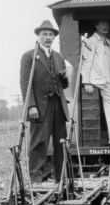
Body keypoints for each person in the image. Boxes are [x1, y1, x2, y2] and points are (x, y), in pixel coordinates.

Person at [20, 20, 72, 182]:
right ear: (38, 36)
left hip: (58, 105)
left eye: (50, 35)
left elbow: (63, 85)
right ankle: (36, 180)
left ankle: (61, 179)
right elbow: (25, 83)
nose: (48, 38)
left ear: (54, 37)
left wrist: (65, 79)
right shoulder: (29, 56)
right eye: (44, 34)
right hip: (40, 107)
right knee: (39, 143)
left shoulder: (58, 57)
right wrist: (31, 106)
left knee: (61, 143)